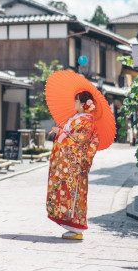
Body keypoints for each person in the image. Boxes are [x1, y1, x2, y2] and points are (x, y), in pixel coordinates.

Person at [46, 90, 100, 240]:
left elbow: (78, 140)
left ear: (83, 104)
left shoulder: (87, 120)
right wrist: (60, 132)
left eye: (76, 100)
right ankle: (71, 225)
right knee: (63, 191)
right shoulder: (77, 118)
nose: (74, 103)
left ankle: (76, 227)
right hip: (66, 164)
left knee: (72, 193)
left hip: (74, 166)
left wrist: (61, 133)